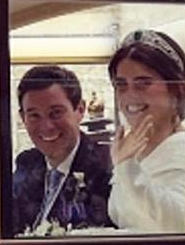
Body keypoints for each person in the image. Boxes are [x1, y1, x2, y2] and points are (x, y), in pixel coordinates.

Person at [107, 29, 185, 233]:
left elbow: (178, 225)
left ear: (176, 89)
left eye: (143, 83)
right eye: (121, 85)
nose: (130, 96)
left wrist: (127, 168)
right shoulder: (130, 151)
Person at [12, 65, 112, 234]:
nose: (47, 126)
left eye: (56, 113)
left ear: (80, 110)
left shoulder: (107, 165)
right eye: (34, 115)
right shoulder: (27, 164)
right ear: (23, 118)